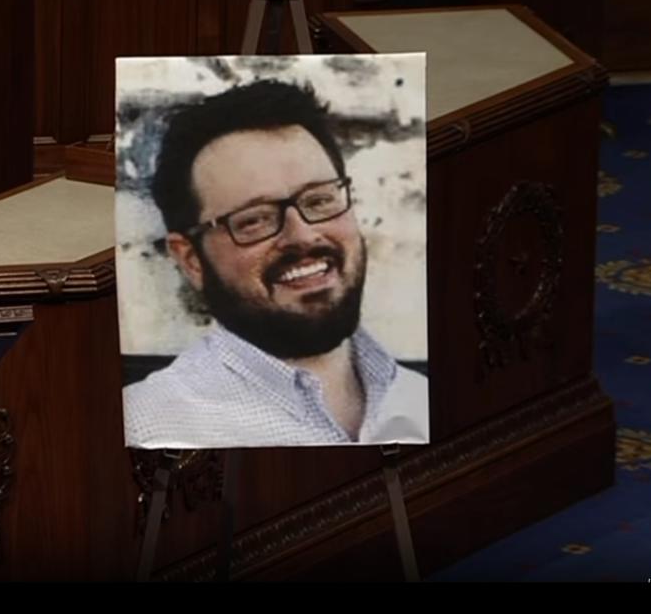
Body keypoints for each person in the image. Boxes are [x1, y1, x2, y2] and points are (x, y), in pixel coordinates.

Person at [122, 79, 428, 449]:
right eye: (254, 219)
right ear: (191, 259)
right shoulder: (147, 427)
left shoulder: (423, 400)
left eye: (319, 201)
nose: (303, 236)